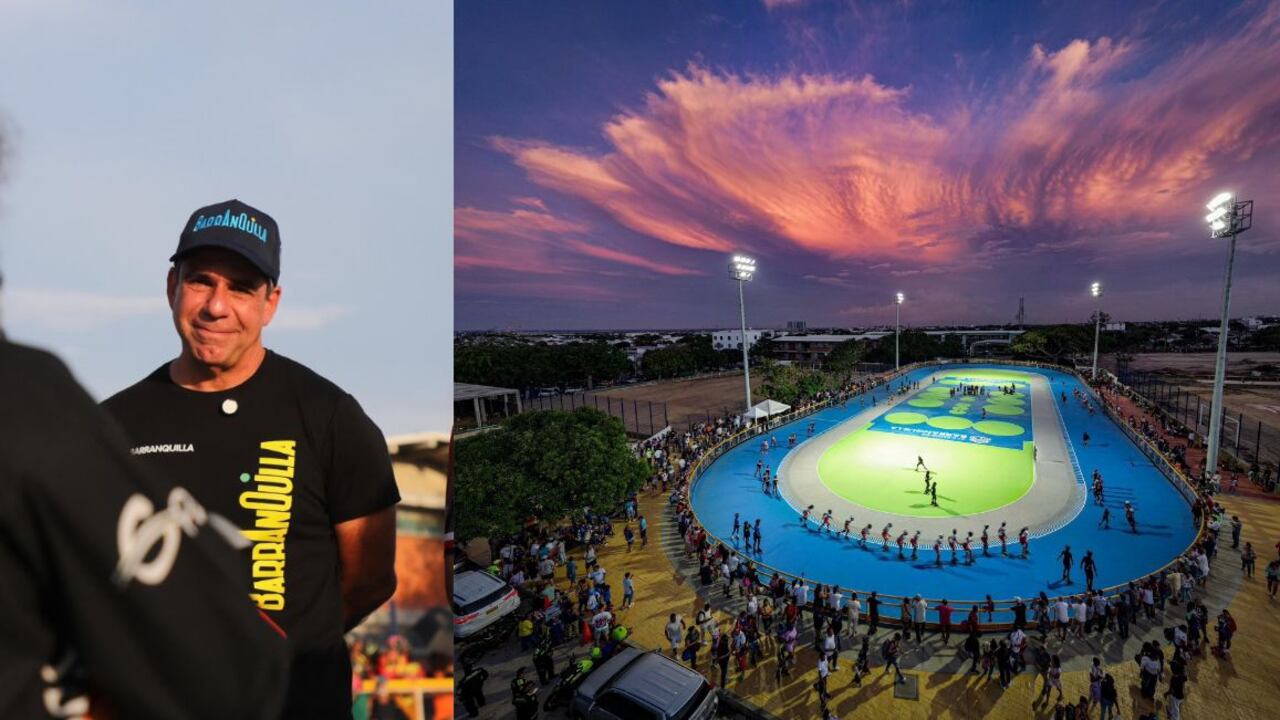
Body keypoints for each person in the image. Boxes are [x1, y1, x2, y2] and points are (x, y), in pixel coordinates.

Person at [102, 200, 400, 718]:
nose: (216, 306)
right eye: (201, 281)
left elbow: (370, 580)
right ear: (172, 287)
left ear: (270, 303)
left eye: (241, 287)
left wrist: (288, 647)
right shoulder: (110, 427)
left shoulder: (329, 416)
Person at [0, 338, 289, 719]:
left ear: (271, 308)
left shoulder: (321, 409)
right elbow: (232, 670)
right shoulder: (28, 393)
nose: (217, 309)